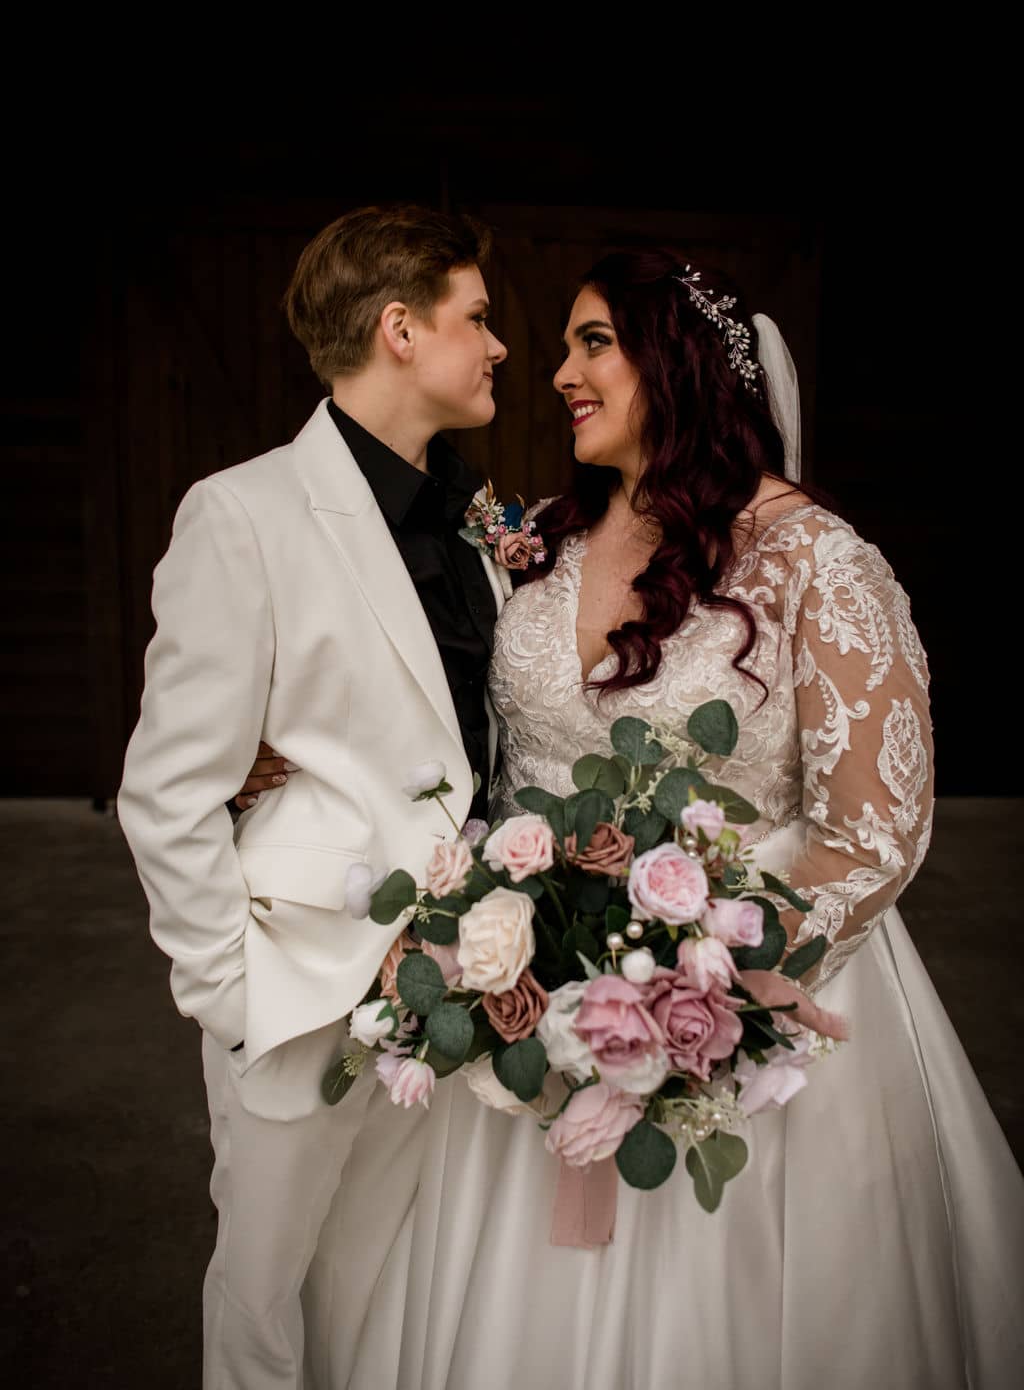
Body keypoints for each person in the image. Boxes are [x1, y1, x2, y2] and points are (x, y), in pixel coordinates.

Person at [254, 247, 1023, 1388]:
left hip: (747, 996)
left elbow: (874, 831)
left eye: (591, 342)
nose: (557, 369)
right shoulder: (545, 543)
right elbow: (453, 722)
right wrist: (298, 757)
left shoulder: (819, 561)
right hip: (528, 990)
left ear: (680, 364)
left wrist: (692, 998)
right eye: (564, 344)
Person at [117, 205, 511, 1390]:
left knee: (380, 1290)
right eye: (478, 318)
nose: (500, 348)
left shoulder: (479, 522)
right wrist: (231, 994)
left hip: (448, 992)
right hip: (299, 991)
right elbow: (167, 790)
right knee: (262, 1304)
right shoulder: (242, 514)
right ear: (400, 328)